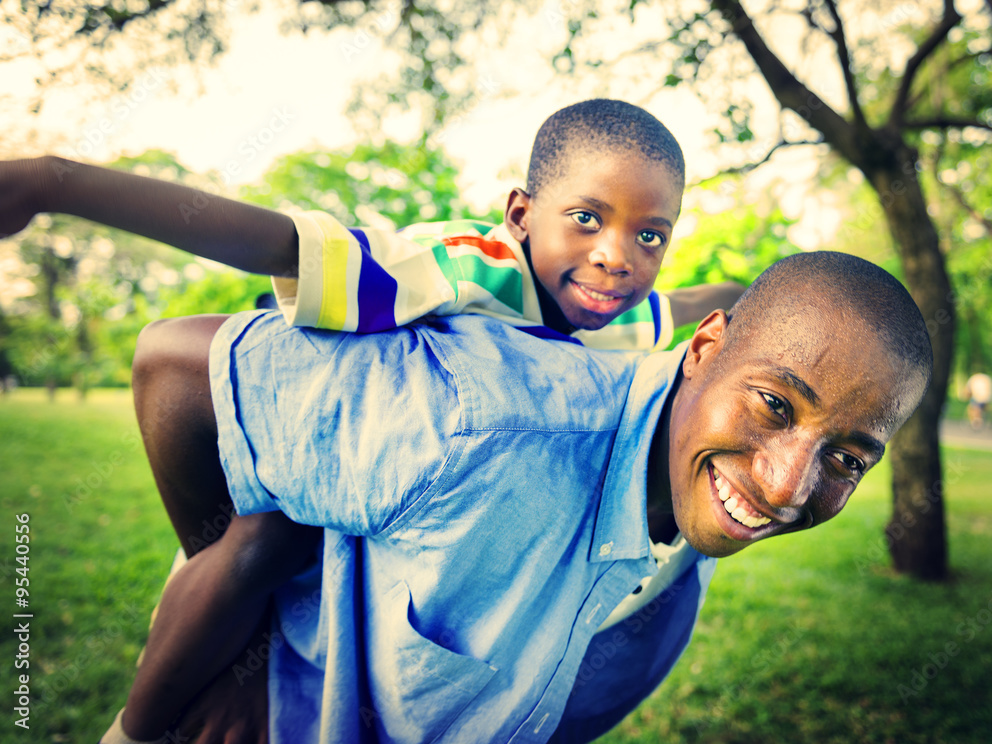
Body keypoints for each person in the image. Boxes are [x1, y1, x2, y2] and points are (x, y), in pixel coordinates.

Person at [0, 100, 744, 742]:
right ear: (520, 215)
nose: (617, 256)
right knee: (260, 543)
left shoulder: (606, 309)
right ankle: (146, 721)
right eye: (587, 218)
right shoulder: (462, 266)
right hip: (299, 427)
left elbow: (682, 308)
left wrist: (762, 293)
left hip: (388, 496)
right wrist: (54, 182)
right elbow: (278, 242)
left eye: (652, 235)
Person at [135, 250, 932, 743]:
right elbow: (176, 362)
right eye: (775, 407)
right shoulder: (477, 423)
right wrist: (236, 621)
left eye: (848, 457)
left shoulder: (695, 485)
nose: (786, 484)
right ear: (706, 351)